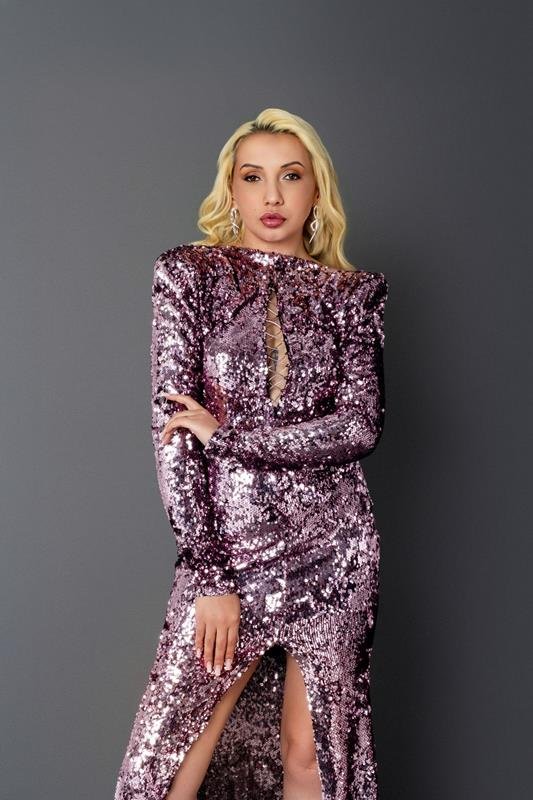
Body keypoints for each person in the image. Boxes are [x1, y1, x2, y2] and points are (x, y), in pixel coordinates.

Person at [114, 107, 389, 800]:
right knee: (168, 764)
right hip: (229, 552)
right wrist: (209, 575)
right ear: (231, 190)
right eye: (253, 177)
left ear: (316, 191)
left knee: (311, 756)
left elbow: (359, 427)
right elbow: (174, 437)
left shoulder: (352, 294)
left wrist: (232, 438)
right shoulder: (189, 274)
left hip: (335, 548)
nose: (272, 196)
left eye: (290, 177)